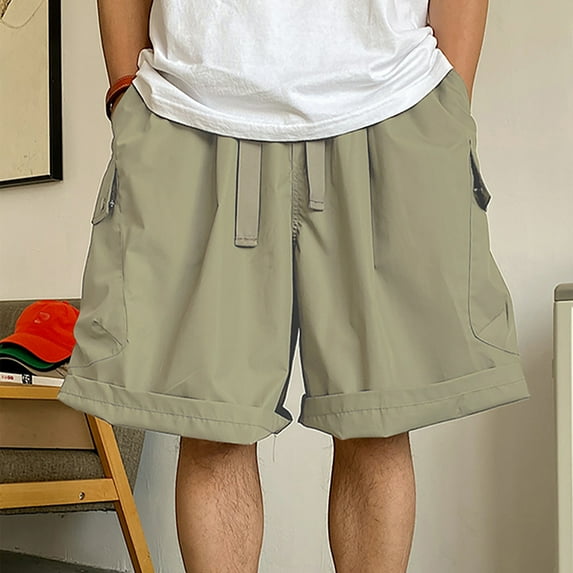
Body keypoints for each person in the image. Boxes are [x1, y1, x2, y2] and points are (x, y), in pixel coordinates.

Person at [57, 1, 531, 572]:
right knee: (212, 425)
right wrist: (124, 94)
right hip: (192, 105)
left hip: (389, 96)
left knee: (376, 420)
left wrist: (449, 96)